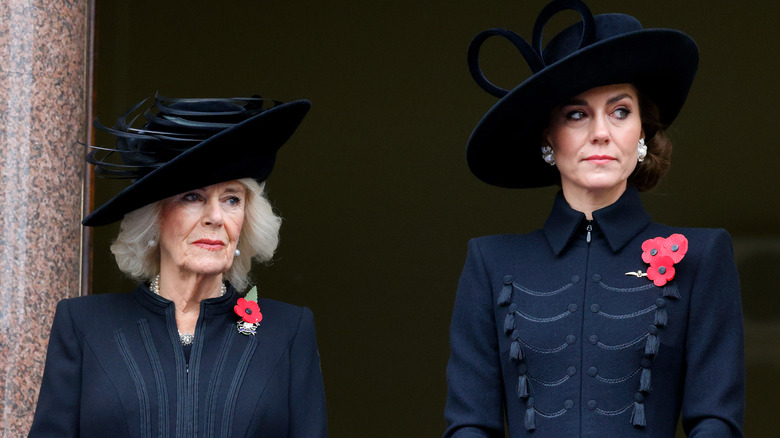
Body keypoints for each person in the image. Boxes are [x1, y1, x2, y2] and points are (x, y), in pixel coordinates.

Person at [444, 0, 745, 436]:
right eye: (577, 114)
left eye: (620, 111)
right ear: (549, 136)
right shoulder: (490, 262)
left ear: (642, 131)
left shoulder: (702, 255)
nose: (601, 131)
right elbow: (469, 426)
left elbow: (716, 420)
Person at [29, 95, 328, 437]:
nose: (215, 217)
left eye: (231, 198)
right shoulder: (83, 325)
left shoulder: (288, 331)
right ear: (154, 217)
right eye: (192, 197)